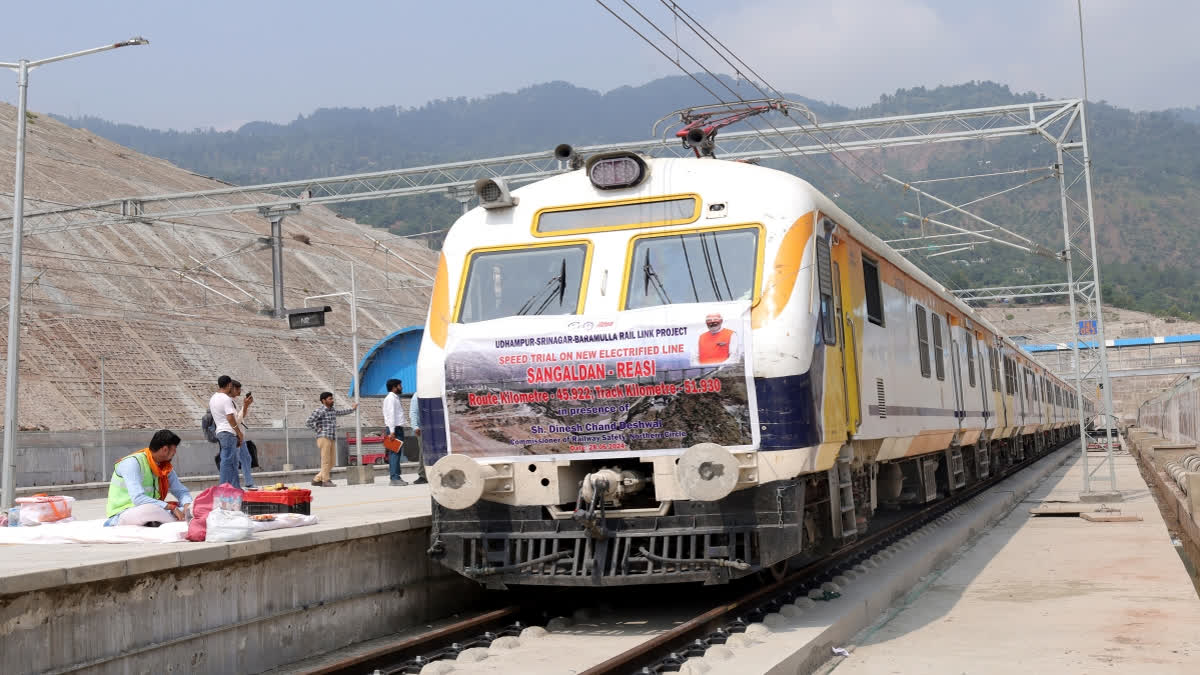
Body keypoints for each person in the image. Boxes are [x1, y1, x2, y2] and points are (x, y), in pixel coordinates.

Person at [104, 429, 193, 527]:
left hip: (153, 509)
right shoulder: (132, 463)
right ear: (165, 449)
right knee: (149, 510)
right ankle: (161, 518)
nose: (175, 453)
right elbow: (138, 499)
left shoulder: (165, 467)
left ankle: (160, 519)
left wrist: (187, 505)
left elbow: (181, 491)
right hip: (123, 513)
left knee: (194, 507)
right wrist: (171, 507)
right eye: (174, 449)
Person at [306, 391, 357, 487]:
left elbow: (341, 412)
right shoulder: (319, 411)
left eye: (332, 398)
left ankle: (316, 479)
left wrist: (352, 409)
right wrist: (318, 429)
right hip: (323, 437)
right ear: (323, 400)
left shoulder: (332, 410)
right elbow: (308, 422)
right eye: (330, 399)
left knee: (332, 462)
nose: (332, 400)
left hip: (332, 437)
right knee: (325, 461)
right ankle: (326, 480)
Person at [209, 375, 243, 488]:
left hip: (221, 431)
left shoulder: (213, 398)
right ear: (229, 385)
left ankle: (236, 489)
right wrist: (239, 432)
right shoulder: (225, 399)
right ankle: (223, 488)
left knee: (233, 463)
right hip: (228, 432)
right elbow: (230, 418)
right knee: (227, 461)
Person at [229, 380, 256, 488]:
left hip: (239, 436)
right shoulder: (228, 402)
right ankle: (234, 485)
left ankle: (249, 482)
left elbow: (241, 417)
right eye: (238, 389)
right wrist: (245, 406)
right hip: (234, 435)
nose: (240, 391)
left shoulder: (233, 401)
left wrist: (246, 406)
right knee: (235, 461)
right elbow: (236, 420)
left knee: (246, 458)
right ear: (232, 389)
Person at [382, 378, 408, 486]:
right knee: (394, 454)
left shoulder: (395, 398)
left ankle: (397, 476)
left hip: (397, 428)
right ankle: (394, 478)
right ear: (394, 387)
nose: (401, 387)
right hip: (394, 429)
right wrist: (392, 431)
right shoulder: (390, 399)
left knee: (397, 454)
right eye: (400, 385)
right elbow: (390, 415)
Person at [409, 393, 428, 485]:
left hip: (433, 427)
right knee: (423, 451)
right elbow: (413, 412)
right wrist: (415, 426)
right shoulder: (417, 396)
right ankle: (422, 475)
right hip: (421, 429)